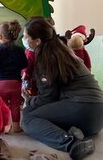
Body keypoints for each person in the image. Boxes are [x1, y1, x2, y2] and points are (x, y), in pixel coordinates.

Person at [21, 16, 103, 160]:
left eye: (26, 37)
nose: (24, 39)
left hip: (83, 108)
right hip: (96, 115)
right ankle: (75, 132)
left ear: (38, 41)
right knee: (35, 111)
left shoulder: (46, 59)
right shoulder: (61, 50)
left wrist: (29, 101)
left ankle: (72, 143)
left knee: (28, 118)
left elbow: (47, 98)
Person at [0, 20, 28, 132]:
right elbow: (24, 64)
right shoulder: (19, 50)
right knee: (15, 105)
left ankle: (3, 127)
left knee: (1, 106)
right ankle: (17, 127)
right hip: (16, 83)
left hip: (1, 84)